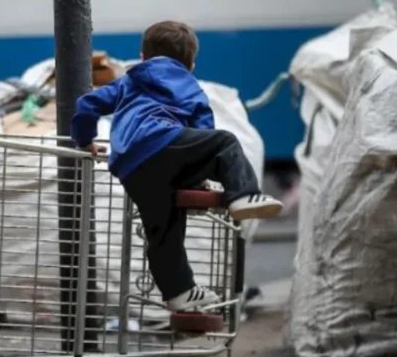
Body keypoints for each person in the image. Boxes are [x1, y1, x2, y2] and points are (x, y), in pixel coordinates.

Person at [71, 21, 283, 313]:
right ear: (191, 65)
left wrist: (85, 141)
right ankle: (243, 195)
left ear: (143, 57)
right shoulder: (188, 84)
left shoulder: (129, 80)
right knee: (225, 142)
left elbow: (86, 106)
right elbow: (203, 130)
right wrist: (205, 177)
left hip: (132, 166)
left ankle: (179, 292)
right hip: (162, 142)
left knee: (163, 231)